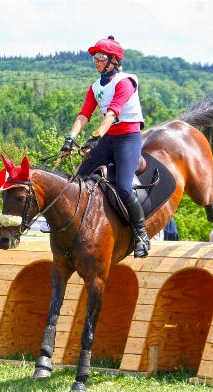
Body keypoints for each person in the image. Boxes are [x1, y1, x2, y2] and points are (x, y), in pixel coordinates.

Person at [60, 36, 148, 258]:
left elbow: (112, 112)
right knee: (77, 181)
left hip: (127, 139)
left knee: (125, 188)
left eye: (100, 57)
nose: (96, 61)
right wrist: (70, 138)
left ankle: (141, 235)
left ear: (114, 61)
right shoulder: (95, 87)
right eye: (94, 58)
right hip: (108, 139)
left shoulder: (125, 82)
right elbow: (84, 115)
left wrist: (96, 136)